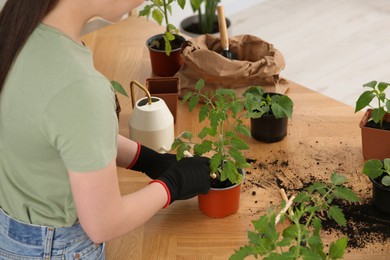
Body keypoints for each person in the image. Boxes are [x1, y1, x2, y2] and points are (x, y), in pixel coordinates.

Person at [0, 0, 211, 259]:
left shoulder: (16, 31)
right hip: (56, 248)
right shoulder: (78, 86)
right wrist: (172, 185)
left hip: (12, 232)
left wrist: (147, 160)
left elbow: (63, 134)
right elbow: (104, 223)